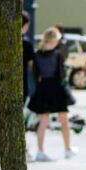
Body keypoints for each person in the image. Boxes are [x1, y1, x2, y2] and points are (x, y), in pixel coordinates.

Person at [28, 27, 77, 161]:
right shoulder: (58, 54)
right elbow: (62, 74)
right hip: (56, 88)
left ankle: (40, 151)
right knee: (64, 121)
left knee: (43, 121)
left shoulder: (37, 54)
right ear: (54, 39)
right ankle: (67, 149)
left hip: (43, 88)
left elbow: (35, 74)